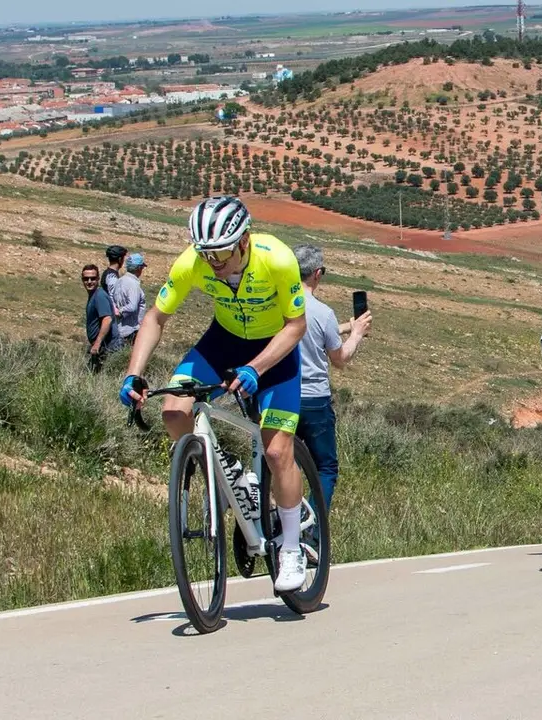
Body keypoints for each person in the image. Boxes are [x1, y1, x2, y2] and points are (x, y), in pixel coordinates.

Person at [119, 195, 310, 593]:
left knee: (277, 452)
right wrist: (134, 373)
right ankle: (225, 482)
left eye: (221, 251)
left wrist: (257, 368)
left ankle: (290, 547)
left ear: (244, 241)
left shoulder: (276, 258)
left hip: (275, 349)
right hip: (222, 343)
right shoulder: (192, 262)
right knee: (173, 410)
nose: (213, 262)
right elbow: (155, 318)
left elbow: (296, 326)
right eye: (205, 252)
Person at [291, 244, 372, 514]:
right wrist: (357, 335)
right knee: (325, 468)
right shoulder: (322, 312)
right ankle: (313, 531)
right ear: (317, 273)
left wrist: (349, 326)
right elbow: (339, 358)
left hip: (282, 397)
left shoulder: (278, 306)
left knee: (282, 465)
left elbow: (304, 333)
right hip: (314, 400)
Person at [82, 263, 115, 373]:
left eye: (93, 278)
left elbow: (107, 319)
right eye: (86, 279)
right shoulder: (93, 296)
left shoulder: (99, 296)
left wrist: (97, 343)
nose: (89, 281)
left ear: (98, 279)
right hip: (101, 347)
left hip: (107, 347)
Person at [111, 252, 147, 347]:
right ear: (139, 268)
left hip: (119, 329)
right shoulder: (133, 284)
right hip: (132, 330)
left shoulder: (119, 281)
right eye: (142, 268)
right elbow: (132, 307)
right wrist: (120, 312)